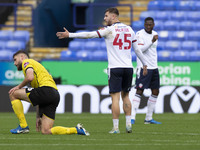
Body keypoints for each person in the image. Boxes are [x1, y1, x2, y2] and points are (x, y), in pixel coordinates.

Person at [56, 7, 149, 133]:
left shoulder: (109, 30)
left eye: (106, 16)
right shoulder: (129, 29)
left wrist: (70, 35)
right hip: (128, 68)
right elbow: (137, 50)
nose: (104, 18)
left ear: (114, 16)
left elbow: (89, 35)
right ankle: (128, 125)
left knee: (115, 98)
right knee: (126, 96)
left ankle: (116, 128)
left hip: (115, 68)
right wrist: (144, 64)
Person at [9, 50, 90, 135]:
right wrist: (38, 117)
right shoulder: (37, 68)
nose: (14, 63)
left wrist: (18, 87)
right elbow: (39, 98)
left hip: (46, 90)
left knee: (13, 94)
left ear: (22, 57)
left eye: (15, 59)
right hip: (54, 95)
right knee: (46, 131)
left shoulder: (26, 62)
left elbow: (30, 77)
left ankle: (23, 126)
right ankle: (76, 130)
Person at [131, 17, 161, 124]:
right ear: (144, 25)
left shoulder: (155, 33)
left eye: (150, 25)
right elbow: (139, 50)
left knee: (156, 91)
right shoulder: (139, 34)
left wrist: (153, 41)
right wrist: (151, 41)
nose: (148, 26)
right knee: (139, 91)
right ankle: (132, 117)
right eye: (146, 25)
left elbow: (153, 52)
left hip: (154, 67)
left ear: (153, 24)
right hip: (144, 67)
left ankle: (148, 118)